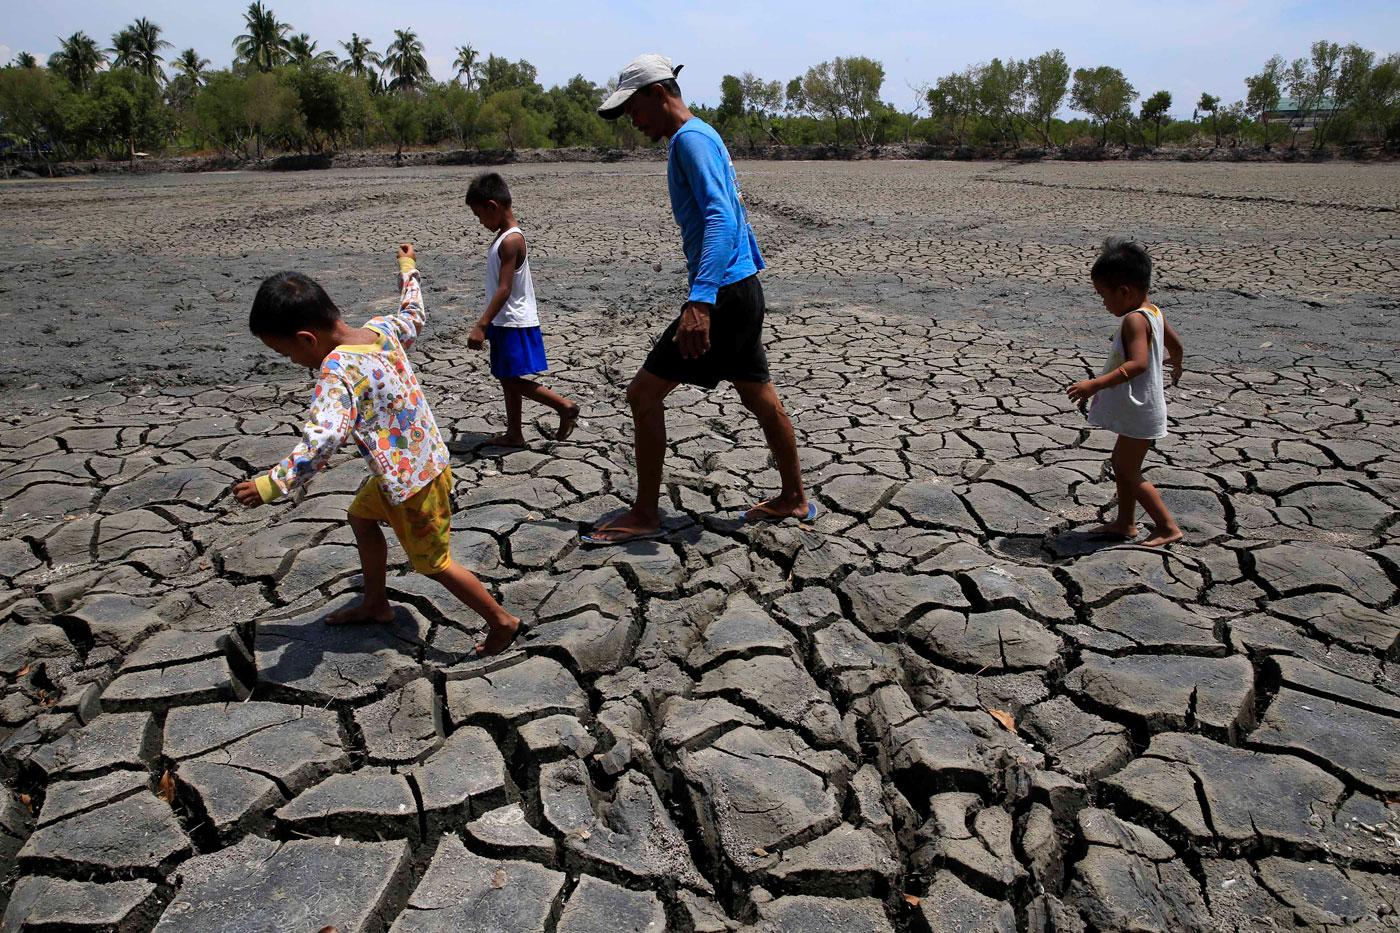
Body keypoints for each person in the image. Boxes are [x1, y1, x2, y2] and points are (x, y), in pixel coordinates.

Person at [232, 244, 523, 656]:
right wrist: (408, 268)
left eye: (288, 353)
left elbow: (324, 439)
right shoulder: (381, 330)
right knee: (361, 518)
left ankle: (502, 621)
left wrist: (271, 485)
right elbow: (414, 314)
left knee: (434, 563)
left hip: (413, 484)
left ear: (305, 338)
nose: (295, 361)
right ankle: (376, 603)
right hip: (414, 468)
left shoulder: (337, 370)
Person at [583, 53, 813, 545]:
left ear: (658, 93)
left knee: (642, 394)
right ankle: (794, 496)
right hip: (742, 286)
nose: (633, 121)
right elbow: (732, 215)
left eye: (633, 109)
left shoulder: (690, 141)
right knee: (757, 394)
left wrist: (701, 300)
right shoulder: (701, 136)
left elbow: (720, 219)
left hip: (725, 293)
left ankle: (645, 512)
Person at [1067, 236, 1185, 548]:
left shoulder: (1134, 319)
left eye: (1104, 297)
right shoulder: (1153, 312)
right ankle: (1125, 523)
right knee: (1122, 465)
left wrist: (1095, 384)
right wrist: (1177, 362)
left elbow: (1138, 364)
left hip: (1141, 410)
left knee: (1129, 470)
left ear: (1124, 291)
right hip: (1144, 407)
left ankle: (1166, 526)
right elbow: (1176, 344)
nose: (1104, 304)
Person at [464, 172, 580, 448]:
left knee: (508, 378)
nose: (480, 223)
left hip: (512, 320)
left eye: (480, 216)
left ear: (493, 206)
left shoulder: (510, 241)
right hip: (507, 320)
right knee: (508, 378)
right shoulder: (505, 237)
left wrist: (482, 324)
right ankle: (515, 433)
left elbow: (504, 288)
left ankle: (563, 406)